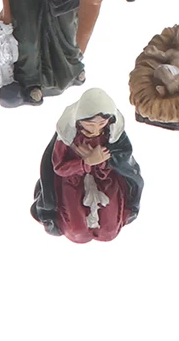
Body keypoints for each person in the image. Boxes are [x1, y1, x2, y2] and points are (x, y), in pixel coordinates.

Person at [31, 89, 143, 243]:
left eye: (101, 123)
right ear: (79, 121)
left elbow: (123, 157)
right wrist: (85, 163)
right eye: (90, 124)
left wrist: (102, 161)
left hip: (106, 179)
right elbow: (59, 166)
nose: (96, 129)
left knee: (109, 228)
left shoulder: (112, 135)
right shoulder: (68, 137)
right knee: (76, 229)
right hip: (73, 182)